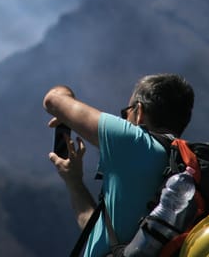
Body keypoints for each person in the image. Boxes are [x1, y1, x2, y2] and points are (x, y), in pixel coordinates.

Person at [44, 73, 195, 257]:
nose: (124, 119)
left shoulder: (134, 141)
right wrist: (73, 180)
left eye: (126, 112)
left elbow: (53, 99)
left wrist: (65, 96)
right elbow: (99, 234)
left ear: (139, 112)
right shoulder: (183, 168)